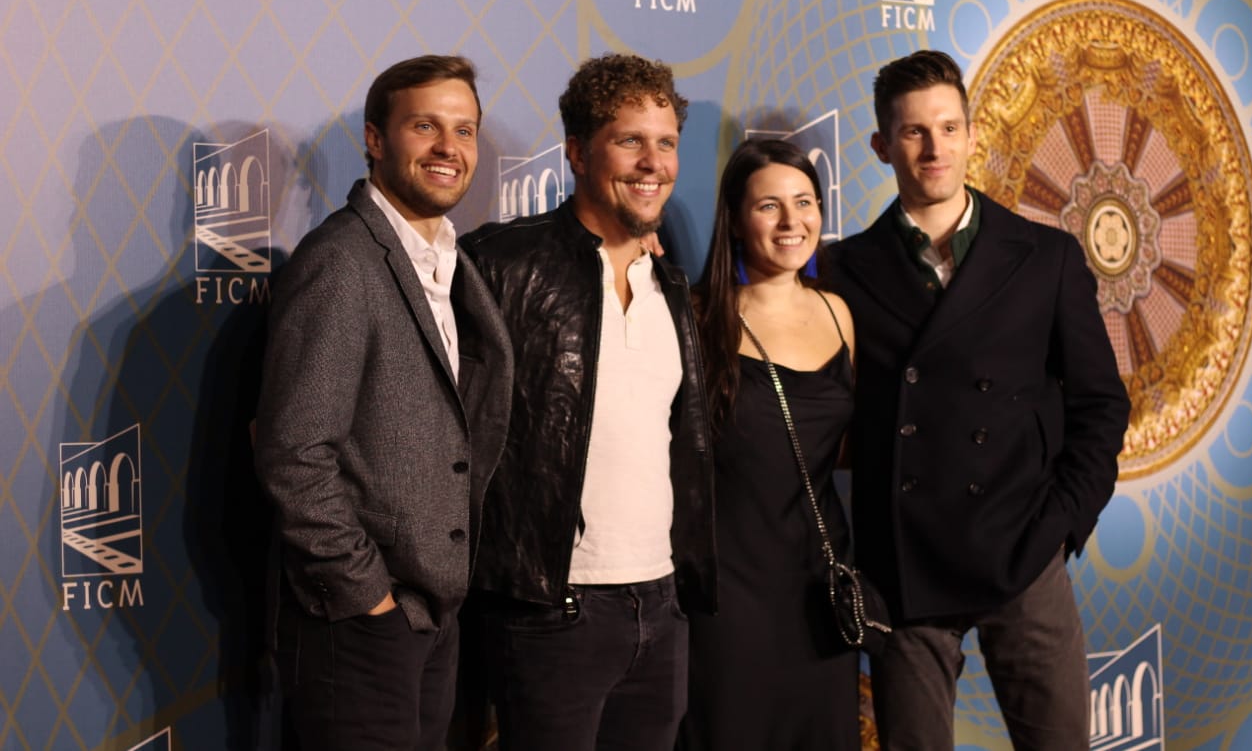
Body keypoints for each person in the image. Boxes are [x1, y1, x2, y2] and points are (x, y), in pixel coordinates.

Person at [825, 49, 1131, 750]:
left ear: (971, 134)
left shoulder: (1046, 257)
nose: (934, 148)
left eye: (948, 128)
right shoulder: (843, 269)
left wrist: (1061, 523)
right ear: (880, 146)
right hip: (904, 564)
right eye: (913, 131)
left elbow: (1101, 404)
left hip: (1023, 548)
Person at [254, 54, 514, 751]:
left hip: (432, 617)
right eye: (425, 126)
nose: (448, 147)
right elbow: (293, 452)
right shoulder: (341, 261)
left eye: (464, 130)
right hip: (360, 625)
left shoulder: (452, 262)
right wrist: (367, 595)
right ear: (375, 139)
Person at [460, 53, 716, 751]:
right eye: (630, 140)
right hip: (551, 608)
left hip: (660, 605)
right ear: (576, 153)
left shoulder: (671, 287)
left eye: (665, 142)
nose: (653, 163)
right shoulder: (500, 266)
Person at [679, 138, 859, 751]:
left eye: (804, 202)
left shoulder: (838, 313)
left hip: (820, 591)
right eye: (769, 206)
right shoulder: (698, 318)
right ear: (734, 220)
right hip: (729, 598)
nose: (791, 222)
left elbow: (837, 448)